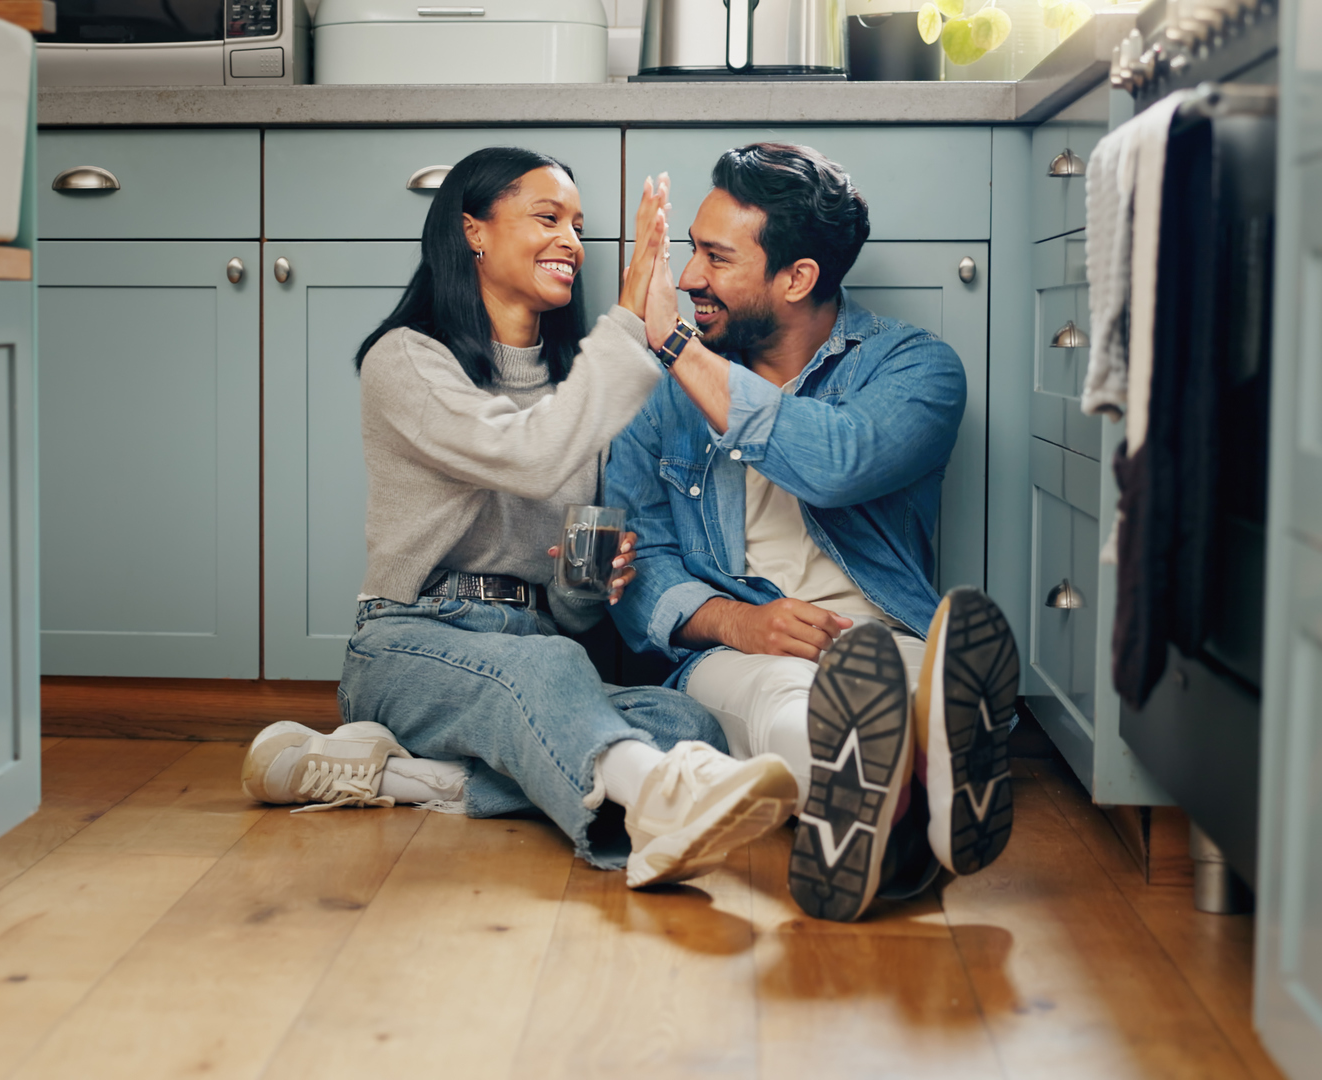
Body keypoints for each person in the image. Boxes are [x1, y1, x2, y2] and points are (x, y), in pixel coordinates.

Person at [240, 146, 794, 889]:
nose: (571, 239)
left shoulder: (579, 388)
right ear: (473, 230)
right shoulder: (407, 361)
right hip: (411, 644)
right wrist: (632, 324)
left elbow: (568, 611)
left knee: (687, 726)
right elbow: (527, 456)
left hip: (535, 649)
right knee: (554, 675)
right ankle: (655, 805)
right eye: (548, 217)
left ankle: (410, 781)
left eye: (579, 225)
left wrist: (586, 581)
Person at [607, 143, 1022, 923]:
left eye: (715, 257)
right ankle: (916, 802)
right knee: (785, 699)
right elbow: (637, 576)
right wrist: (743, 622)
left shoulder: (916, 369)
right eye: (689, 250)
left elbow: (837, 461)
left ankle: (908, 786)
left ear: (796, 278)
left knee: (898, 686)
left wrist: (673, 345)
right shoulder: (657, 398)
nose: (688, 278)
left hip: (879, 636)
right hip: (735, 653)